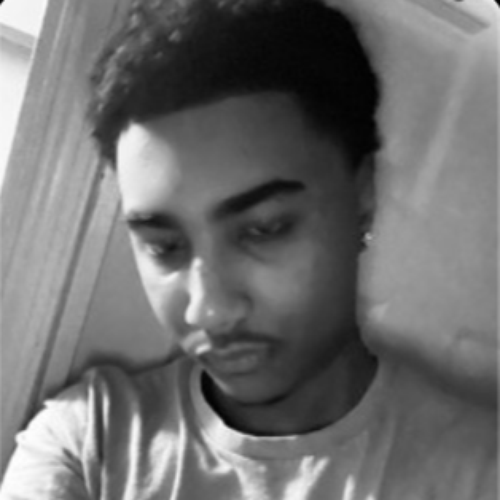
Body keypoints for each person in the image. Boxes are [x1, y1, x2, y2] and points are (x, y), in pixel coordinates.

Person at [1, 0, 496, 499]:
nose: (208, 310)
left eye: (265, 228)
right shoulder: (89, 440)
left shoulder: (479, 470)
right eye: (163, 246)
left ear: (362, 196)